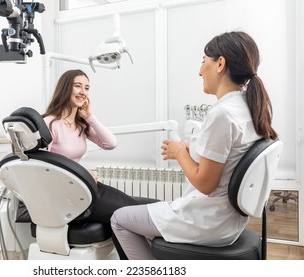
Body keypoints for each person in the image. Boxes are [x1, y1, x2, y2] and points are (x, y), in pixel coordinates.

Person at [110, 31, 278, 260]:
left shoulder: (222, 114)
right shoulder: (248, 108)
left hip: (208, 221)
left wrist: (180, 152)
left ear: (220, 63)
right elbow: (230, 156)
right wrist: (192, 148)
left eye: (203, 61)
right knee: (145, 222)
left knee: (119, 219)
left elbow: (205, 183)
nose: (199, 71)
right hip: (229, 222)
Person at [42, 69, 140, 225]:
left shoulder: (81, 125)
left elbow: (111, 143)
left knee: (136, 209)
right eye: (78, 86)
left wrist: (89, 117)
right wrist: (82, 172)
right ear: (65, 88)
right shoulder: (50, 123)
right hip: (66, 194)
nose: (83, 92)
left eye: (87, 88)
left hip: (83, 186)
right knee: (129, 215)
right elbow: (42, 168)